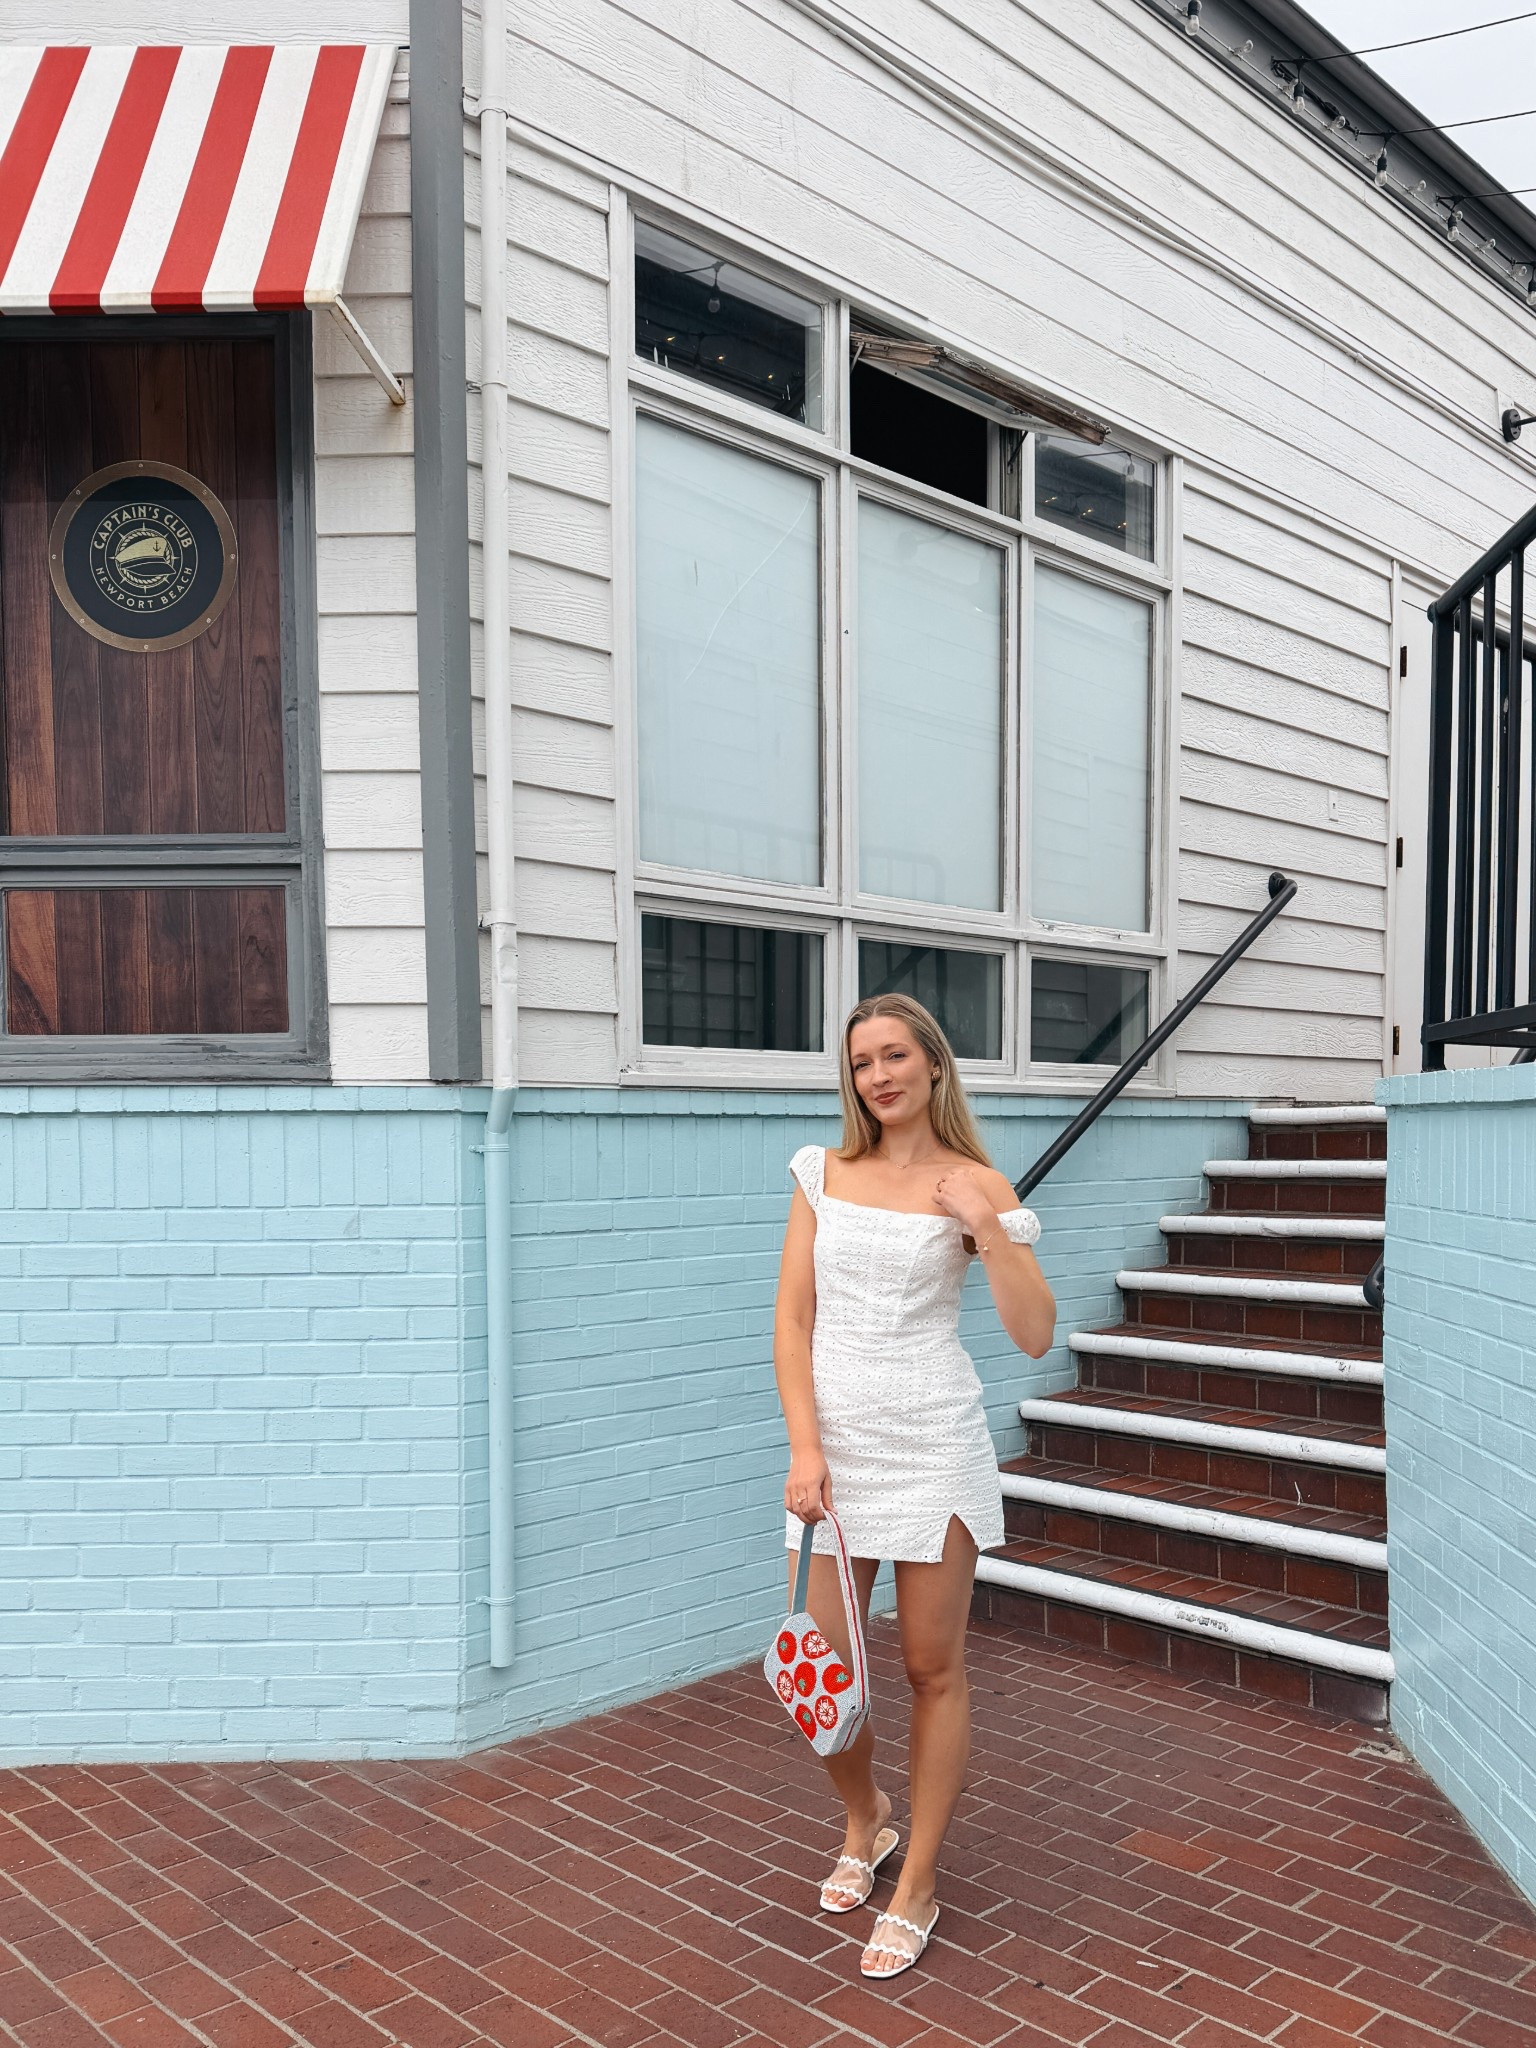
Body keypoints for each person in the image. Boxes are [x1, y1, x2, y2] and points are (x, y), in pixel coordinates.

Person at [773, 992, 1055, 1981]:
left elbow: (1033, 1329)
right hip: (836, 1453)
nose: (878, 1074)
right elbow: (792, 1322)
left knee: (932, 1669)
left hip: (935, 1441)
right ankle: (867, 1813)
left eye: (895, 1054)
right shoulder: (823, 1172)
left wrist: (990, 1225)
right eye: (861, 1062)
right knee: (824, 1675)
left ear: (933, 1062)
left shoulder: (974, 1180)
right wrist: (805, 1448)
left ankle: (918, 1878)